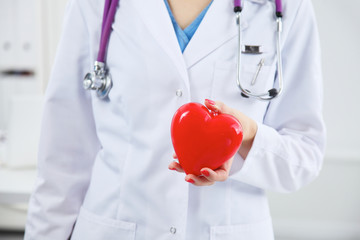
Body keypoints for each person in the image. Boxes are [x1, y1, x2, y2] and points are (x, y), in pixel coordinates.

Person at [24, 0, 326, 239]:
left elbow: (305, 153)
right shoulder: (96, 4)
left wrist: (247, 137)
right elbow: (62, 161)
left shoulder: (285, 8)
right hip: (111, 226)